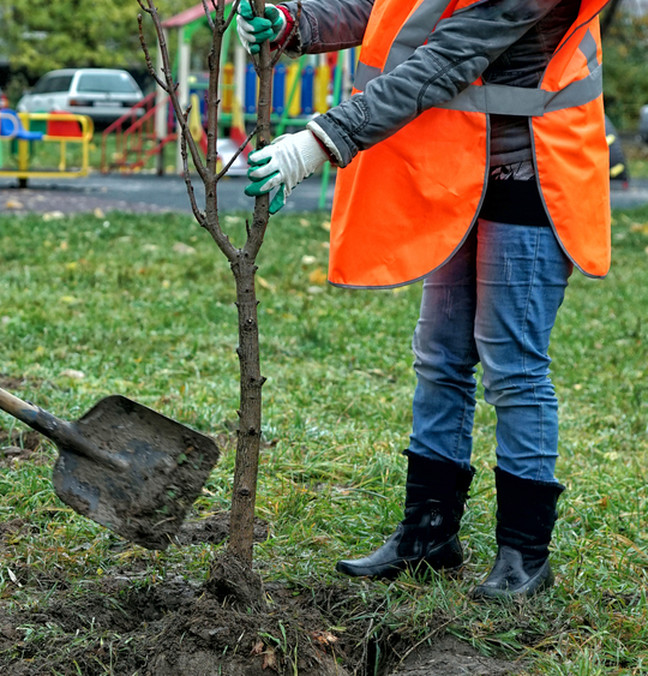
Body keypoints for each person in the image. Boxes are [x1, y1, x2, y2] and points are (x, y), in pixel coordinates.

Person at [237, 0, 610, 600]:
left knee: (513, 366)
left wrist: (322, 140)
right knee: (439, 358)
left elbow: (450, 56)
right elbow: (394, 6)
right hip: (455, 177)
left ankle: (524, 554)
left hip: (533, 177)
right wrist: (298, 22)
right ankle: (428, 535)